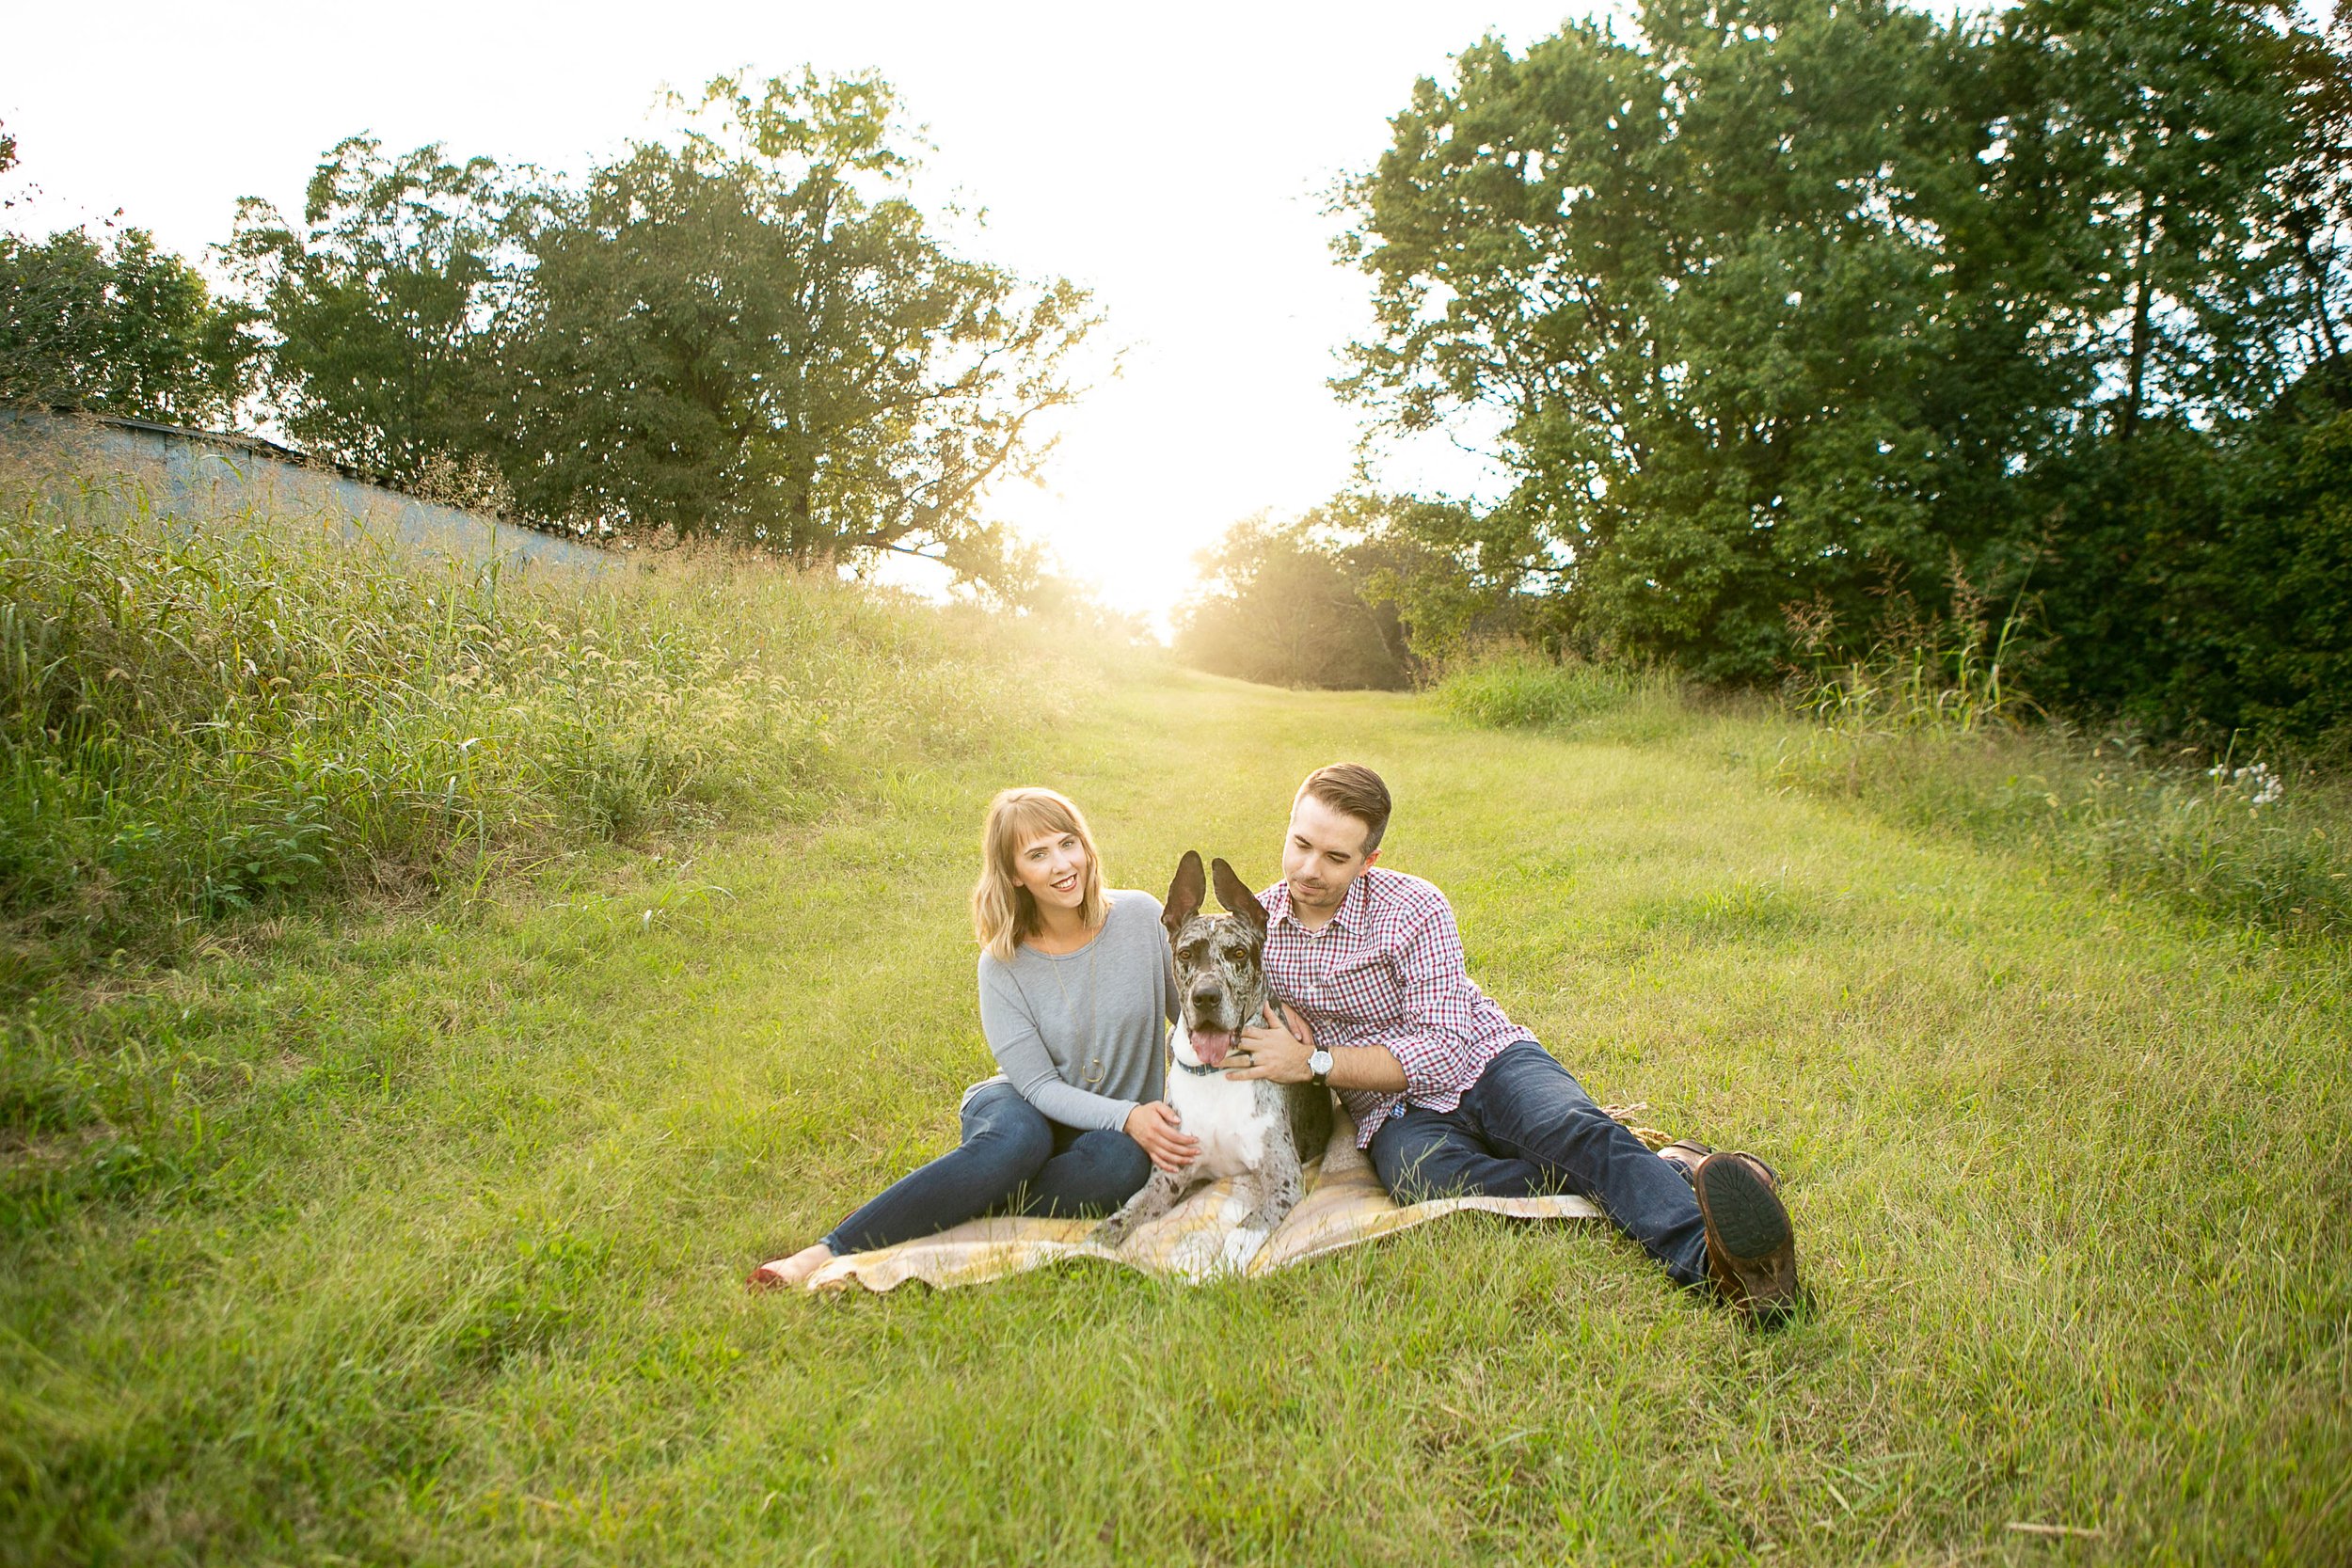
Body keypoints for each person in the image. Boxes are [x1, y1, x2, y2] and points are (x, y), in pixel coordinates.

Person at [1224, 763, 1803, 1321]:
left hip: (1486, 1060)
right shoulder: (1257, 926)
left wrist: (1316, 1061)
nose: (1309, 869)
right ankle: (1664, 1172)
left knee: (1571, 1130)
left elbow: (1444, 1048)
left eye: (1335, 857)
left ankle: (1724, 1266)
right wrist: (1282, 1010)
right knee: (1427, 1183)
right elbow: (1215, 992)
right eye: (1300, 844)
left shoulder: (1414, 908)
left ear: (1370, 860)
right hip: (1392, 1110)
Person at [749, 786, 1196, 1290]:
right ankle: (824, 1252)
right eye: (1037, 855)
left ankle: (969, 1199)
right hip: (1024, 1106)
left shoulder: (1140, 917)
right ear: (1013, 874)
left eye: (1068, 843)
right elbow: (1040, 1089)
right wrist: (1129, 1114)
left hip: (1106, 1136)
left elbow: (1194, 1018)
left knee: (1123, 1166)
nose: (1062, 864)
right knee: (1019, 1142)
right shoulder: (1002, 964)